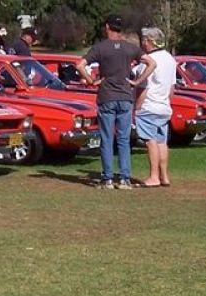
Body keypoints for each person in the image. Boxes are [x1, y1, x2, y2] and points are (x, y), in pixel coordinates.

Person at [76, 15, 157, 190]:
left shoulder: (100, 48)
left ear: (107, 27)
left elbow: (80, 65)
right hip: (125, 97)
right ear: (120, 29)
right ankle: (125, 178)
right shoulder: (130, 48)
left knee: (106, 139)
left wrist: (91, 80)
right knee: (123, 139)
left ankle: (107, 179)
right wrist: (136, 81)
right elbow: (151, 63)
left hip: (107, 96)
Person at [131, 27, 176, 188]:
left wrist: (136, 109)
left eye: (144, 40)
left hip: (149, 106)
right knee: (161, 141)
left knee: (150, 142)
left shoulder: (147, 62)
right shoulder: (170, 59)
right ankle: (164, 176)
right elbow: (172, 87)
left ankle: (154, 176)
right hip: (164, 106)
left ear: (149, 41)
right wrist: (166, 102)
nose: (142, 43)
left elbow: (143, 88)